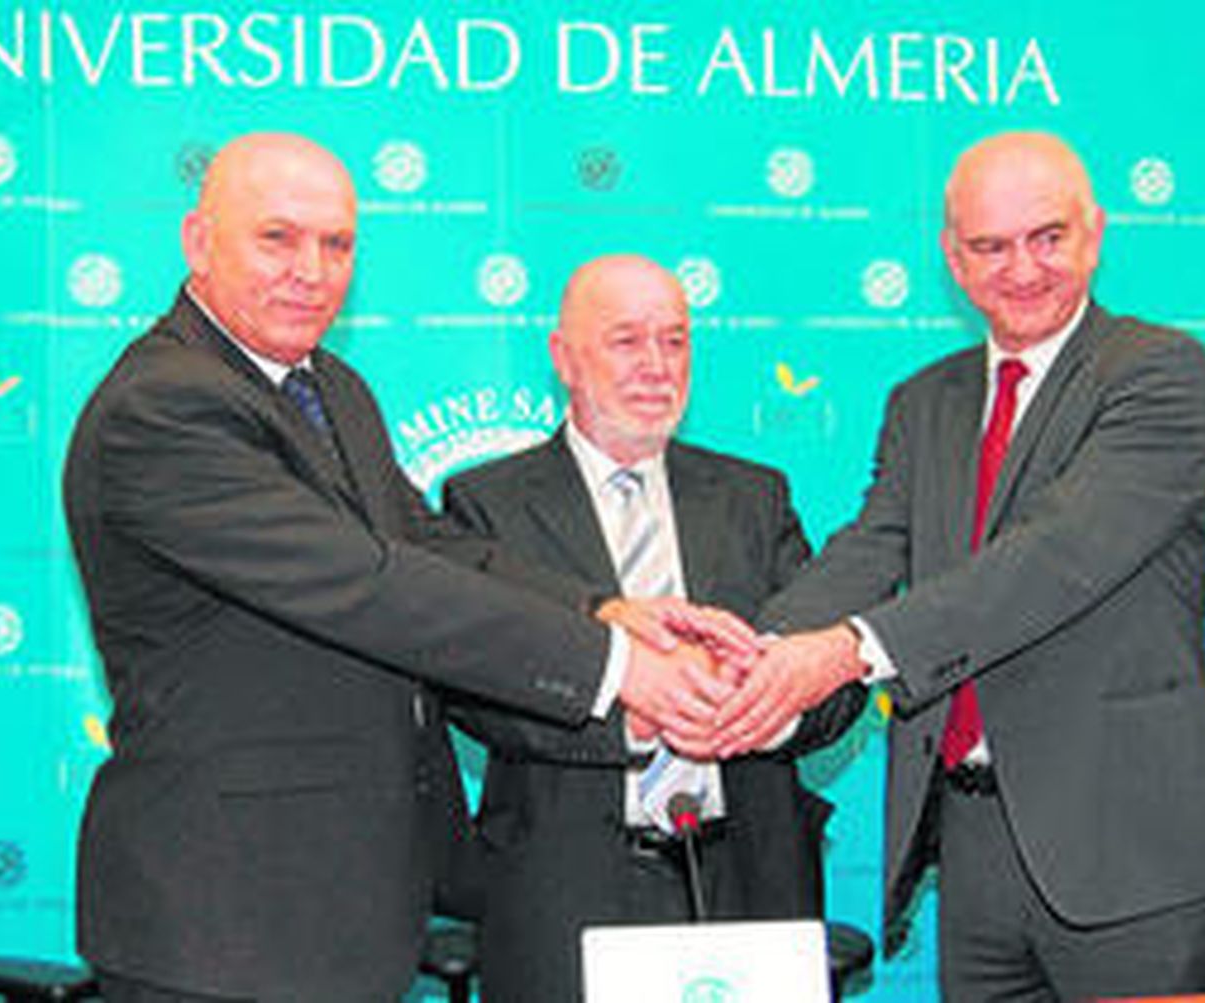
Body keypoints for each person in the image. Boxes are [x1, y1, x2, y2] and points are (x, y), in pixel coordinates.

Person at [62, 134, 742, 1002]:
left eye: (337, 244)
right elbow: (368, 582)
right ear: (198, 241)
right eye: (278, 238)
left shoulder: (331, 387)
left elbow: (426, 542)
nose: (311, 268)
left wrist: (602, 609)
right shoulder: (162, 407)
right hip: (222, 920)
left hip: (341, 904)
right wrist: (618, 671)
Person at [710, 131, 1205, 1000]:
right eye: (990, 246)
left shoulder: (1159, 371)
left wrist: (848, 651)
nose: (1022, 269)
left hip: (1134, 849)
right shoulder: (922, 400)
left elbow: (1052, 557)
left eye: (1048, 237)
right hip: (971, 846)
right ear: (953, 259)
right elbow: (874, 545)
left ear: (1094, 232)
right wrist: (747, 658)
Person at [441, 255, 866, 1003]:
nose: (656, 366)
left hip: (751, 884)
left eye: (674, 341)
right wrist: (631, 715)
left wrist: (767, 710)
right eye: (627, 341)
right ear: (564, 357)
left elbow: (836, 686)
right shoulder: (488, 506)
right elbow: (473, 688)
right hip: (566, 891)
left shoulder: (754, 497)